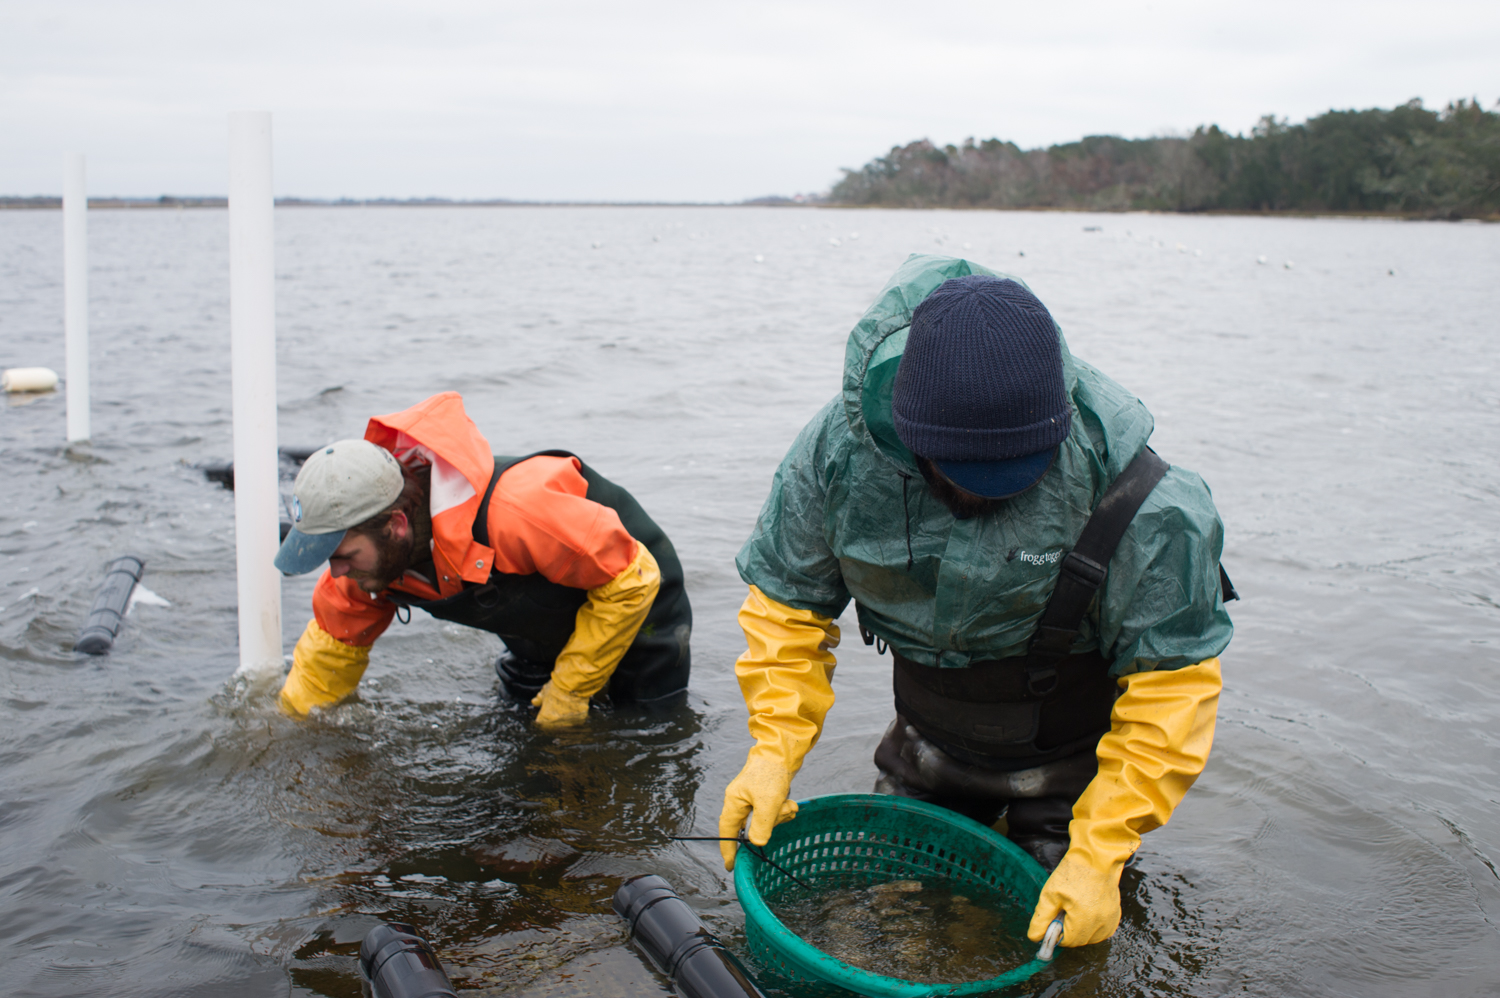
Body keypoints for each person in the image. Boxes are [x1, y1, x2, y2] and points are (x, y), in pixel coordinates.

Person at [718, 255, 1233, 949]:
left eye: (1016, 473)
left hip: (1070, 768)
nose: (989, 494)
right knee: (884, 916)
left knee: (1063, 944)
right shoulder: (839, 453)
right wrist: (773, 749)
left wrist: (1101, 851)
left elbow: (1173, 692)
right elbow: (789, 611)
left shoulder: (1151, 501)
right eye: (965, 472)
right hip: (924, 746)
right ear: (911, 435)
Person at [273, 391, 691, 725]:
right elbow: (327, 659)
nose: (337, 571)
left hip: (638, 603)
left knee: (645, 736)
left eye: (343, 555)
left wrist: (569, 690)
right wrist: (286, 730)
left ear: (396, 526)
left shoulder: (517, 511)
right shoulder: (367, 563)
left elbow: (632, 579)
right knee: (529, 748)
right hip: (540, 642)